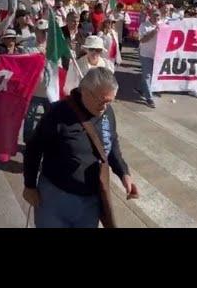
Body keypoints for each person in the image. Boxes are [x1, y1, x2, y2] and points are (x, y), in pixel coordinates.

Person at [23, 67, 139, 228]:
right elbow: (33, 148)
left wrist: (123, 173)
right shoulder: (58, 113)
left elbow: (111, 144)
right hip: (55, 196)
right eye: (102, 100)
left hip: (90, 200)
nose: (105, 107)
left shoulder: (107, 112)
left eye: (110, 102)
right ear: (85, 91)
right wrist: (29, 185)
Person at [22, 19, 50, 144]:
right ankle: (28, 142)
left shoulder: (53, 46)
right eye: (41, 31)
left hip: (49, 90)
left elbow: (59, 65)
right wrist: (39, 52)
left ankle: (46, 142)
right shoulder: (28, 44)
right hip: (34, 89)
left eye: (46, 31)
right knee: (29, 117)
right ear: (36, 31)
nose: (44, 33)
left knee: (49, 118)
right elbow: (25, 59)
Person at [136, 9, 160, 108]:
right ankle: (149, 99)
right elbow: (142, 40)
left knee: (151, 75)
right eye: (155, 15)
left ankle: (143, 89)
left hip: (157, 55)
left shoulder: (161, 24)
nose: (157, 18)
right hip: (146, 55)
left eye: (158, 16)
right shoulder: (144, 26)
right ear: (150, 15)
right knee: (147, 76)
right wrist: (154, 32)